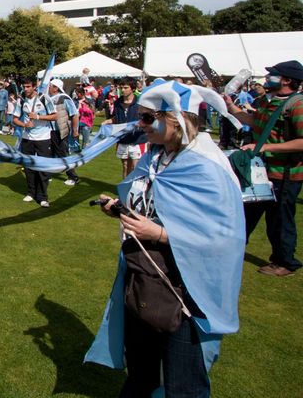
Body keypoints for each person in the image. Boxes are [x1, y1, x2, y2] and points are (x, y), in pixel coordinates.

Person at [86, 80, 245, 397]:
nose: (140, 125)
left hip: (185, 293)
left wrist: (159, 233)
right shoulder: (155, 158)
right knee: (141, 372)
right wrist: (122, 211)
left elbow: (224, 237)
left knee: (183, 384)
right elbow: (151, 206)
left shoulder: (207, 168)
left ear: (176, 119)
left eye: (147, 118)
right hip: (144, 279)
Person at [225, 60, 303, 277]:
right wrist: (232, 108)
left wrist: (263, 146)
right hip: (261, 172)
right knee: (245, 213)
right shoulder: (271, 101)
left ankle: (285, 262)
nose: (267, 79)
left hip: (285, 174)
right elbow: (255, 121)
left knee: (279, 220)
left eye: (273, 75)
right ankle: (230, 249)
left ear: (287, 80)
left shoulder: (298, 104)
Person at [13, 77, 57, 207]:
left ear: (34, 87)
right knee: (28, 167)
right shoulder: (21, 99)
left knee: (43, 167)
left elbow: (55, 116)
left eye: (28, 87)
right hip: (27, 138)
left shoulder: (44, 98)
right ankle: (31, 192)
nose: (25, 89)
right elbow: (15, 119)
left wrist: (38, 117)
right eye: (24, 87)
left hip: (43, 138)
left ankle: (42, 197)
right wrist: (24, 124)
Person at [104, 77, 147, 179]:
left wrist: (140, 124)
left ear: (132, 88)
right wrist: (108, 121)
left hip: (137, 140)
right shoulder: (118, 102)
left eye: (125, 87)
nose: (122, 90)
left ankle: (135, 191)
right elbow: (117, 118)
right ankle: (124, 191)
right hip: (123, 139)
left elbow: (148, 119)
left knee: (135, 166)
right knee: (125, 165)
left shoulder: (140, 101)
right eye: (121, 88)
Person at [47, 79, 80, 186]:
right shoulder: (48, 98)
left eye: (51, 86)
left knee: (63, 154)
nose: (49, 87)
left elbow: (74, 115)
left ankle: (73, 176)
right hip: (48, 131)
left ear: (56, 88)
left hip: (60, 131)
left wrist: (75, 130)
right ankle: (48, 174)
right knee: (48, 153)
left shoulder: (65, 99)